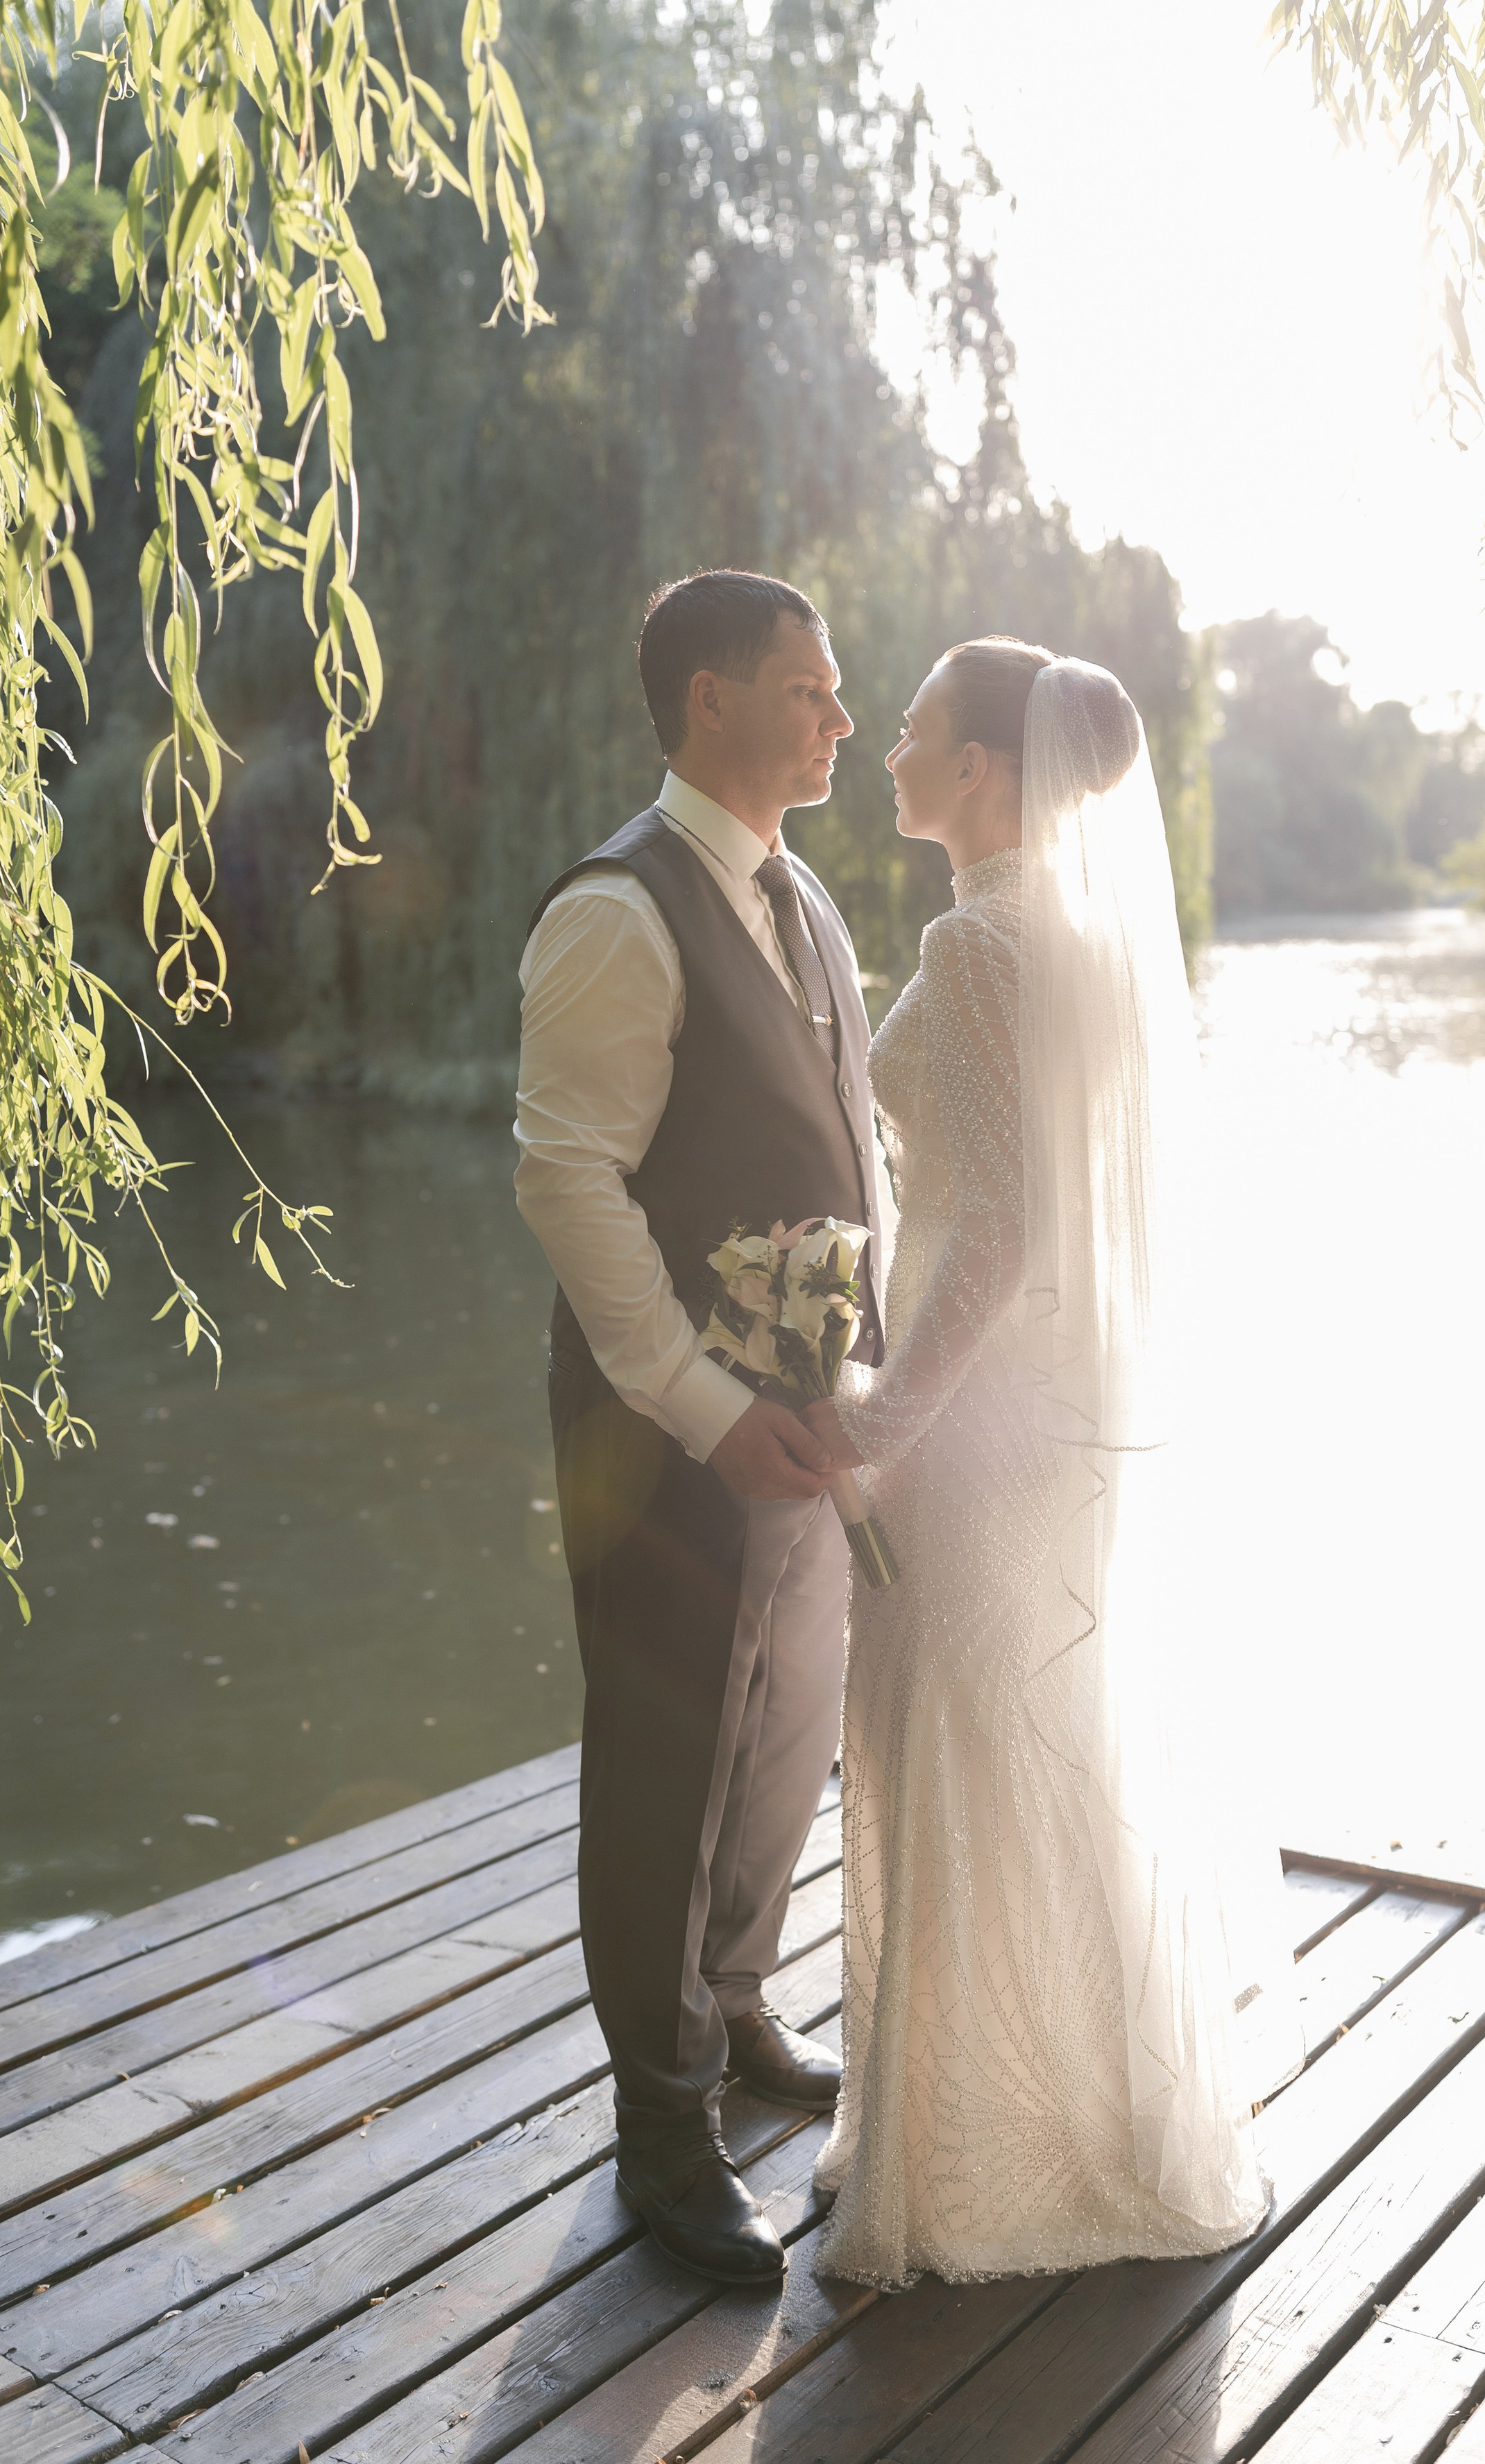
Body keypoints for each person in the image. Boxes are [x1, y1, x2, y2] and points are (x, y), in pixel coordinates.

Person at [804, 636, 1302, 2288]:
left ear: (981, 772)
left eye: (911, 730)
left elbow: (1001, 1224)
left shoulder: (974, 943)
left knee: (947, 1732)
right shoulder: (1089, 946)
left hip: (977, 1422)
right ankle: (1073, 2108)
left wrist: (881, 1415)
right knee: (1038, 1736)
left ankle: (959, 2158)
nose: (884, 748)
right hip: (1056, 1408)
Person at [513, 569, 891, 2286]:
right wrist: (700, 1406)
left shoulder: (802, 898)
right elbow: (568, 1182)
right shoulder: (617, 910)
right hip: (662, 1436)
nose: (840, 719)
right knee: (664, 1761)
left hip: (805, 1427)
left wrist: (861, 1372)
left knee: (786, 1724)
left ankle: (733, 2004)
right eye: (809, 690)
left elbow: (849, 1142)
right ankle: (661, 2130)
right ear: (710, 700)